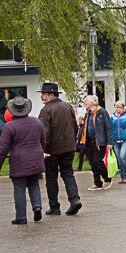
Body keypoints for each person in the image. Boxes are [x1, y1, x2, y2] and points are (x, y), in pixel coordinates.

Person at [38, 83, 82, 216]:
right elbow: (75, 126)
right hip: (68, 148)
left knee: (51, 178)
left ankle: (54, 206)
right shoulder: (67, 106)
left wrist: (42, 149)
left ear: (51, 95)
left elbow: (44, 133)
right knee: (68, 174)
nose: (42, 96)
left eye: (44, 94)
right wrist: (72, 142)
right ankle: (74, 199)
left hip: (52, 150)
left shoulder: (46, 110)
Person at [0, 97, 47, 224]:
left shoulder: (9, 127)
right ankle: (37, 206)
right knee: (34, 184)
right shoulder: (36, 122)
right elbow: (43, 141)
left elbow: (2, 149)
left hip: (19, 161)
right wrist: (40, 153)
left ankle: (21, 217)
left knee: (19, 188)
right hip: (36, 159)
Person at [78, 95, 113, 191]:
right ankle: (97, 183)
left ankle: (107, 179)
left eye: (86, 101)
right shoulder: (88, 113)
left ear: (92, 103)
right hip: (88, 140)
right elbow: (84, 127)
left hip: (99, 141)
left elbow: (108, 128)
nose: (85, 103)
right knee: (92, 162)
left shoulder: (102, 112)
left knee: (98, 161)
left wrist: (110, 142)